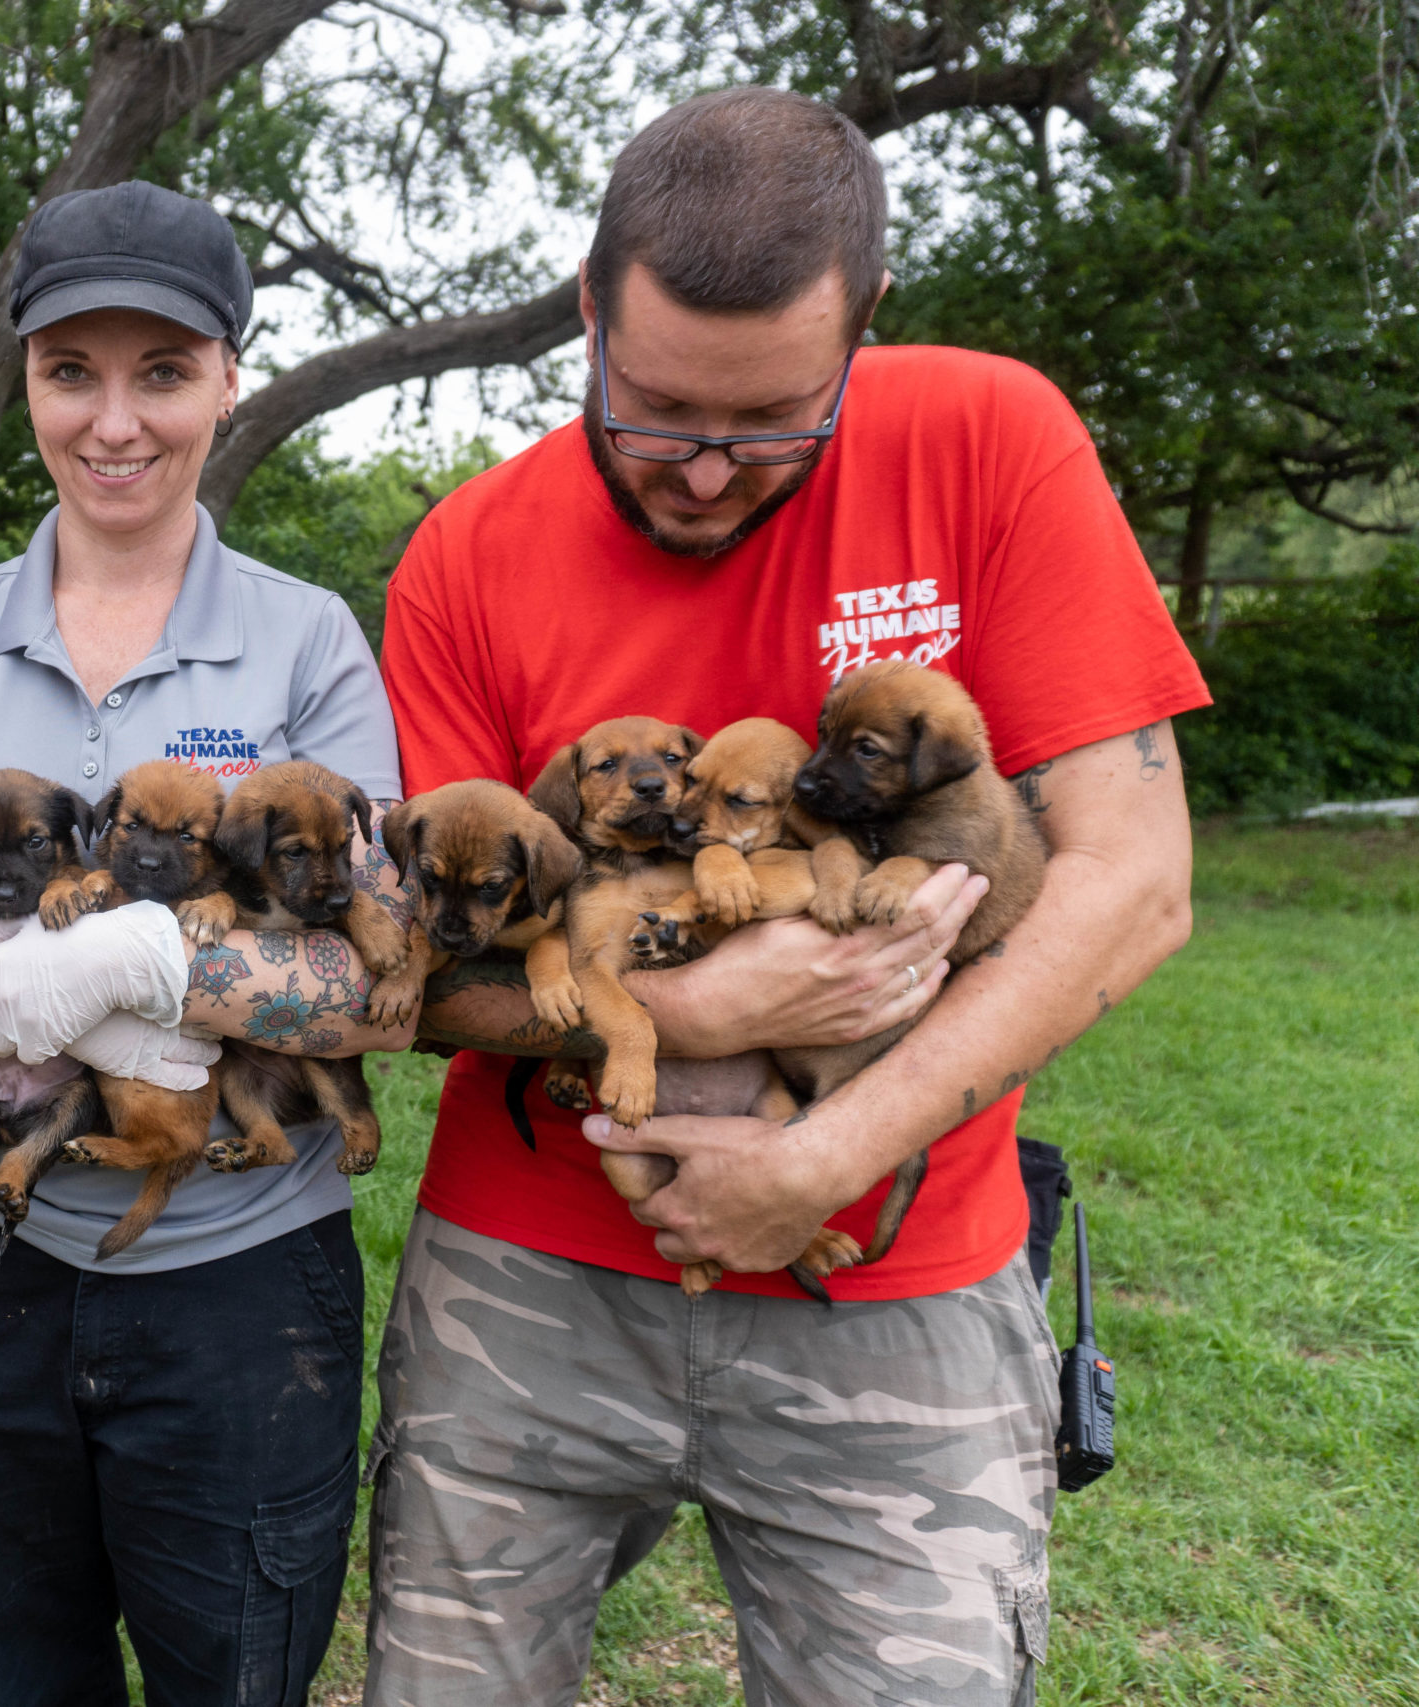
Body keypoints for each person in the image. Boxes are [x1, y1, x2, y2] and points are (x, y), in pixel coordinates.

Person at [367, 89, 1209, 1705]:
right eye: (654, 411)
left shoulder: (991, 441)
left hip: (897, 1267)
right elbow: (421, 968)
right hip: (530, 1283)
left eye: (766, 427)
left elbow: (1136, 882)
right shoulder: (469, 554)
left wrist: (826, 1154)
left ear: (863, 323)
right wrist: (688, 1011)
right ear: (590, 308)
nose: (700, 472)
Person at [0, 181, 410, 1705]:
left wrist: (129, 973)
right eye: (72, 373)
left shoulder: (308, 640)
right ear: (27, 382)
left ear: (229, 378)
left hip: (239, 1285)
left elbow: (376, 993)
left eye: (163, 372)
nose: (115, 422)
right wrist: (35, 992)